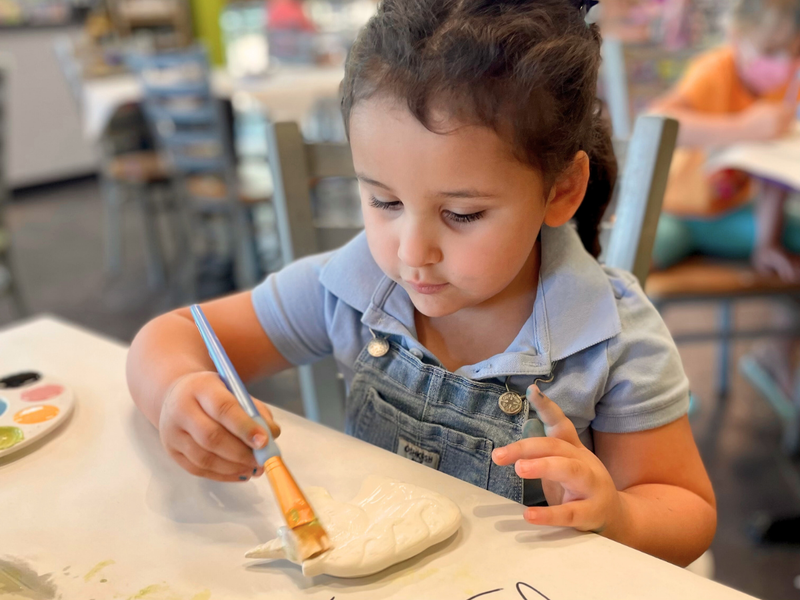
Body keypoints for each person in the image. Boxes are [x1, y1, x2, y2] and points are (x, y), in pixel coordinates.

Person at [127, 0, 716, 567]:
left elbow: (686, 510)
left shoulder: (608, 337)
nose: (412, 253)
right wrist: (178, 393)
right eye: (383, 201)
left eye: (462, 215)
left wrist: (616, 517)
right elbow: (176, 334)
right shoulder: (351, 289)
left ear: (560, 190)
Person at [650, 0, 800, 397]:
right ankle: (643, 387)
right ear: (737, 40)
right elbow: (658, 119)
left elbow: (775, 175)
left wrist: (767, 242)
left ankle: (777, 356)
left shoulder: (787, 84)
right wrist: (741, 127)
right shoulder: (714, 70)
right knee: (633, 260)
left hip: (732, 216)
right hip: (678, 212)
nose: (783, 62)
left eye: (793, 51)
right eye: (770, 52)